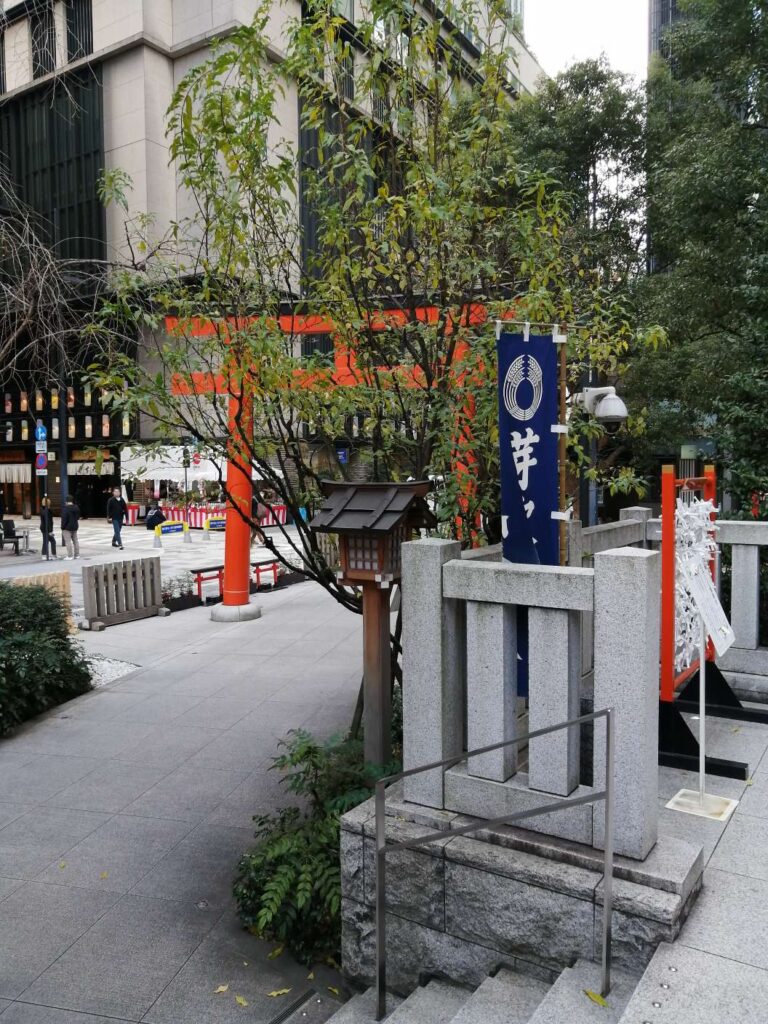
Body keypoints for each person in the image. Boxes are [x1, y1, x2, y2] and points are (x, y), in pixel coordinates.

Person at [61, 495, 81, 560]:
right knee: (75, 541)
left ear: (66, 501)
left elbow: (64, 519)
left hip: (67, 528)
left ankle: (70, 556)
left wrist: (62, 527)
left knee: (68, 542)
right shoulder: (76, 507)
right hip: (75, 526)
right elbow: (78, 517)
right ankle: (77, 555)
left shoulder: (66, 509)